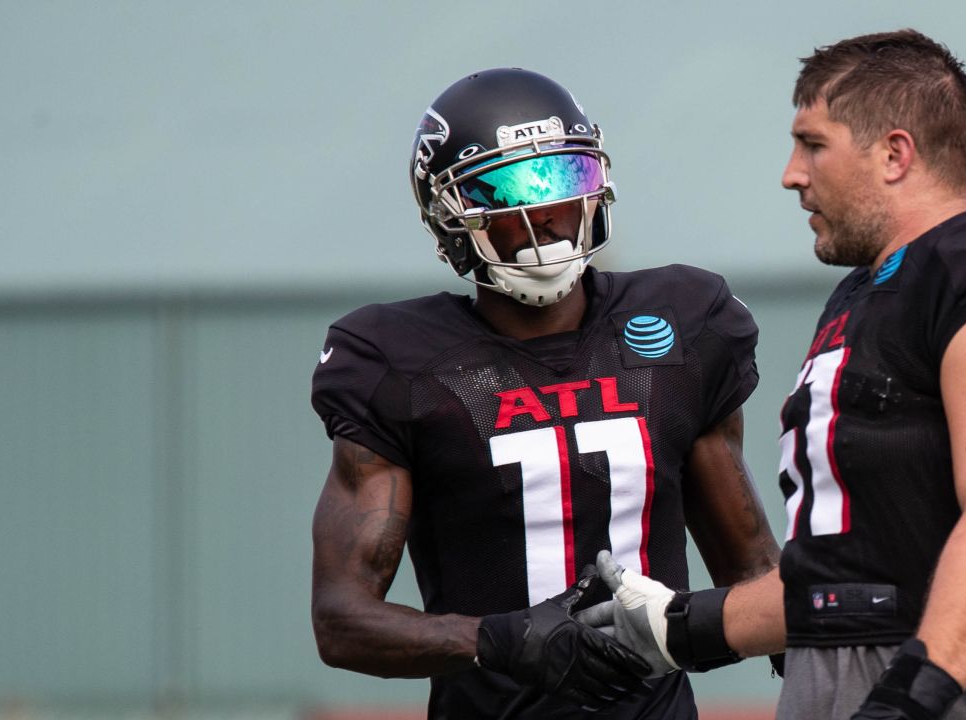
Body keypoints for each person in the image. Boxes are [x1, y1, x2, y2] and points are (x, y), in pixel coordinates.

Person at [579, 29, 966, 719]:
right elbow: (854, 581)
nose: (792, 173)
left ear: (895, 153)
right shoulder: (865, 296)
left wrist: (910, 697)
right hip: (866, 677)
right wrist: (682, 624)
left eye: (813, 143)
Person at [308, 67, 781, 719]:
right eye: (510, 187)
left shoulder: (682, 326)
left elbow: (753, 569)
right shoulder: (399, 361)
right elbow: (341, 619)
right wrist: (499, 640)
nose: (546, 211)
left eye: (563, 178)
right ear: (452, 214)